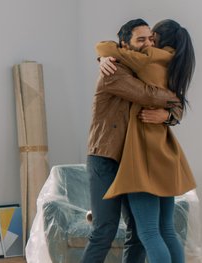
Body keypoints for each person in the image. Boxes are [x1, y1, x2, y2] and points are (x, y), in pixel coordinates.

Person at [82, 18, 184, 263]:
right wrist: (173, 99)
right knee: (103, 231)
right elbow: (145, 94)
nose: (148, 43)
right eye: (141, 40)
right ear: (125, 45)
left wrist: (169, 113)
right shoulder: (113, 71)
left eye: (150, 38)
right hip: (106, 157)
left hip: (132, 157)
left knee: (138, 232)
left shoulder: (145, 69)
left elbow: (175, 108)